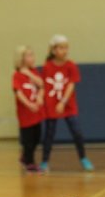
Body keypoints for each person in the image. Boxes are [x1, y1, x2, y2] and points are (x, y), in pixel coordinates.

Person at [40, 34, 94, 172]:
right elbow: (44, 86)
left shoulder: (71, 65)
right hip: (52, 104)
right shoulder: (47, 67)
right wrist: (45, 101)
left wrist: (63, 102)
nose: (65, 51)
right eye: (61, 48)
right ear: (53, 50)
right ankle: (45, 162)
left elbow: (71, 85)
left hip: (68, 105)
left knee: (77, 132)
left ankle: (83, 158)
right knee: (49, 134)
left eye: (66, 48)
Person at [12, 46, 45, 173]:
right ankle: (30, 162)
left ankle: (25, 156)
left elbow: (41, 85)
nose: (32, 58)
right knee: (28, 140)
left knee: (37, 137)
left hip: (36, 112)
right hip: (26, 114)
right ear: (22, 59)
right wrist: (28, 104)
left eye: (33, 55)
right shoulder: (17, 75)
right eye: (29, 55)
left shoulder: (34, 72)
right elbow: (18, 92)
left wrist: (40, 98)